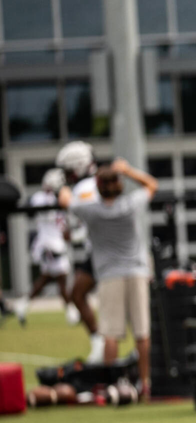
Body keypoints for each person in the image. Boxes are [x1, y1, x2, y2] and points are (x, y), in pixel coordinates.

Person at [58, 159, 158, 397]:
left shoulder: (91, 210)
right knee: (142, 333)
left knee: (110, 334)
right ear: (119, 184)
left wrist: (61, 183)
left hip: (109, 275)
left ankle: (110, 386)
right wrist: (127, 169)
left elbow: (64, 199)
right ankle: (146, 384)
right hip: (136, 271)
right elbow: (152, 185)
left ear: (98, 186)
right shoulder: (130, 205)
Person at [55, 141, 105, 361]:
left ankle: (100, 342)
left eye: (68, 171)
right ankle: (100, 342)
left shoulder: (86, 188)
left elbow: (92, 220)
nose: (67, 176)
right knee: (79, 293)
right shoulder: (93, 183)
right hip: (101, 249)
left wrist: (73, 234)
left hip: (102, 251)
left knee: (78, 294)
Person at [14, 169, 74, 327]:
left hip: (55, 241)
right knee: (61, 277)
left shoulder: (60, 197)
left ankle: (23, 304)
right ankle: (71, 311)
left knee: (46, 279)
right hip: (48, 243)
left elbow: (63, 220)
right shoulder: (41, 197)